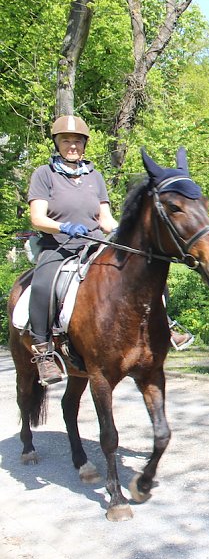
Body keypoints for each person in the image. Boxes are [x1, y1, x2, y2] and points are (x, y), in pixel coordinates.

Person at [27, 115, 119, 385]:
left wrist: (122, 230)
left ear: (84, 144)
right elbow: (37, 218)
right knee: (43, 284)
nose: (72, 146)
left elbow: (105, 219)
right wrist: (63, 227)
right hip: (59, 245)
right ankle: (43, 353)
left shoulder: (94, 176)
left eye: (77, 141)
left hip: (94, 246)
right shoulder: (44, 174)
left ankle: (164, 327)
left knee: (135, 270)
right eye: (66, 140)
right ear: (57, 143)